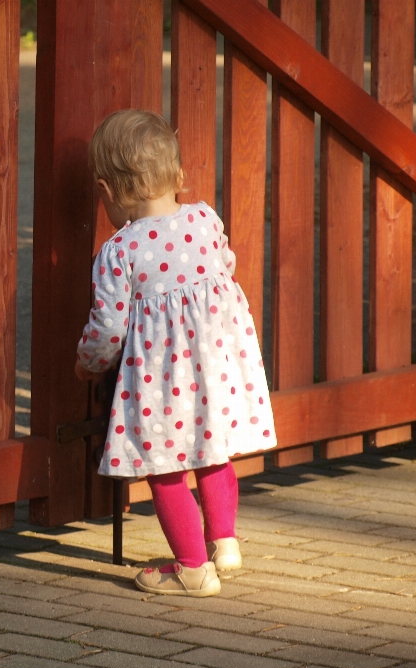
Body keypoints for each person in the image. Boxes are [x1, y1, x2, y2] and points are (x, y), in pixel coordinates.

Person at [75, 109, 276, 597]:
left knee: (163, 467)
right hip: (215, 368)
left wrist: (88, 361)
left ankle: (191, 567)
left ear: (108, 190)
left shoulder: (119, 251)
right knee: (212, 451)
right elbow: (224, 269)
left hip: (160, 381)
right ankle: (223, 543)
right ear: (178, 174)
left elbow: (108, 325)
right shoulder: (204, 219)